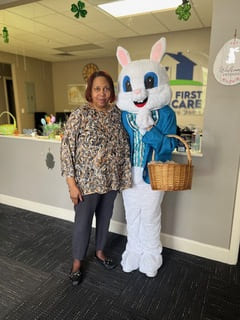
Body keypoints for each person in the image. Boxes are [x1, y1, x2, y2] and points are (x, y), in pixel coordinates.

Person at [60, 71, 132, 286]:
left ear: (112, 92)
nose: (102, 93)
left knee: (104, 218)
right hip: (86, 182)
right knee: (82, 224)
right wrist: (72, 184)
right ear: (90, 91)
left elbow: (124, 142)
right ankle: (77, 262)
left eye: (106, 88)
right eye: (97, 88)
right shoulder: (79, 115)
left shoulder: (116, 113)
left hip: (110, 181)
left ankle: (100, 251)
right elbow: (66, 150)